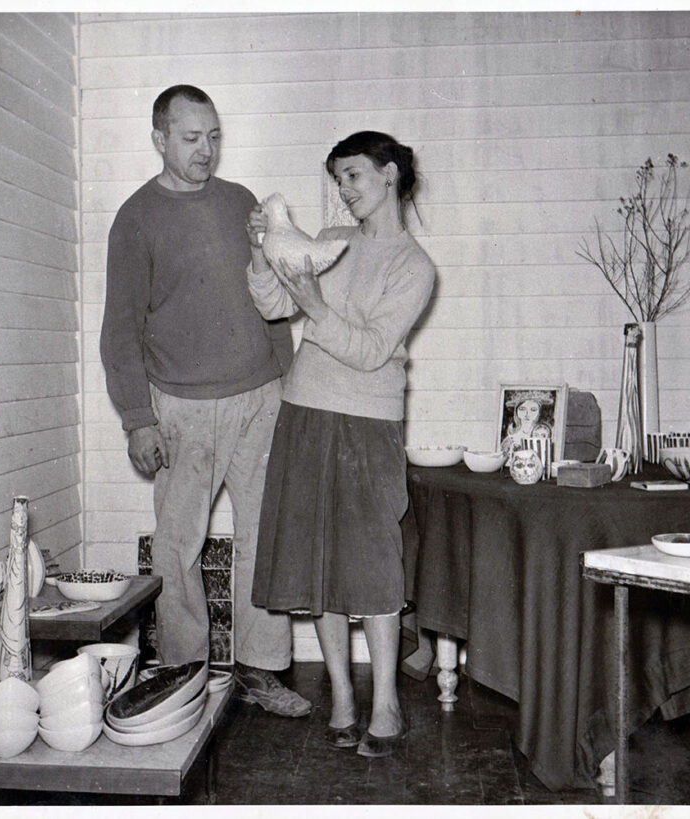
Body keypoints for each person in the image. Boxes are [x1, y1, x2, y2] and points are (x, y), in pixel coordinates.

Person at [100, 85, 310, 718]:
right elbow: (120, 332)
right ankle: (186, 672)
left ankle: (260, 669)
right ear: (160, 138)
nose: (206, 151)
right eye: (192, 138)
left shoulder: (242, 202)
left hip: (260, 399)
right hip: (181, 408)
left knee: (262, 536)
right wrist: (139, 420)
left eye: (214, 136)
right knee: (177, 546)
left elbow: (270, 302)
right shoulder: (136, 219)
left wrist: (291, 388)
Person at [247, 131, 435, 757]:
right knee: (318, 564)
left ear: (388, 175)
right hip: (304, 411)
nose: (344, 191)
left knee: (375, 569)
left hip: (369, 423)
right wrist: (261, 253)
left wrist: (316, 305)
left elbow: (371, 350)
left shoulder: (414, 267)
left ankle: (385, 706)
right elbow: (275, 304)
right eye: (338, 180)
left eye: (353, 176)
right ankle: (343, 700)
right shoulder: (330, 242)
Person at [500, 391, 554, 462]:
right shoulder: (511, 436)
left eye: (533, 410)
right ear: (516, 411)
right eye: (522, 409)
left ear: (539, 412)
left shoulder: (542, 432)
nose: (527, 414)